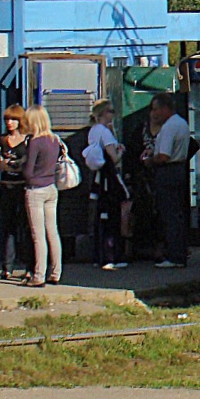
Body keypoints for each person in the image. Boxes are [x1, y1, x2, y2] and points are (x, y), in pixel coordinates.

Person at [147, 93, 190, 269]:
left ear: (165, 108)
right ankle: (180, 252)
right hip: (180, 169)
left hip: (168, 172)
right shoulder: (182, 123)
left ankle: (174, 256)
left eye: (156, 109)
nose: (153, 113)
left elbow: (164, 156)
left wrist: (150, 160)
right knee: (177, 215)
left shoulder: (169, 127)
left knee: (169, 215)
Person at [22, 105, 63, 287]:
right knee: (52, 232)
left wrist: (20, 167)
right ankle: (56, 272)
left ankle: (39, 275)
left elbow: (29, 172)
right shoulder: (54, 139)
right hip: (51, 187)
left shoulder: (35, 141)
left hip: (35, 189)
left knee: (38, 235)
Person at [86, 100, 128, 271]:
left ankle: (100, 255)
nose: (113, 114)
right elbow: (114, 157)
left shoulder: (93, 131)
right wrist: (121, 150)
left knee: (100, 217)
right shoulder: (106, 133)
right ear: (104, 113)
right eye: (111, 111)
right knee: (114, 216)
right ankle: (115, 255)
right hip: (109, 178)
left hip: (97, 177)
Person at [0, 105, 32, 281]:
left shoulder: (28, 140)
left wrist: (16, 163)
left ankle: (28, 266)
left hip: (22, 186)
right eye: (7, 120)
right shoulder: (1, 140)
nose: (10, 123)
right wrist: (10, 164)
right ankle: (7, 266)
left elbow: (27, 164)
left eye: (13, 119)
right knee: (7, 228)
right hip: (6, 186)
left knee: (25, 227)